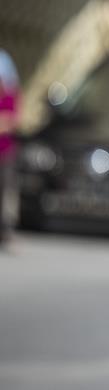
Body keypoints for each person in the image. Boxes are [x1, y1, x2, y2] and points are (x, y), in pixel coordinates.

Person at [0, 50, 19, 249]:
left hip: (4, 151)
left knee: (6, 192)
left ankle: (6, 231)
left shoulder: (10, 96)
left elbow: (10, 121)